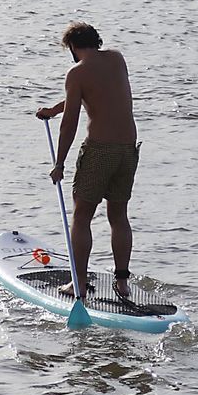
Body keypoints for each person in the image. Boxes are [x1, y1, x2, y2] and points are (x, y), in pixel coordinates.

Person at [36, 21, 139, 300]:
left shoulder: (76, 72)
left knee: (81, 218)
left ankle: (78, 284)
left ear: (72, 46)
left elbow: (70, 123)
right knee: (118, 217)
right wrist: (53, 110)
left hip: (99, 152)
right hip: (127, 149)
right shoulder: (117, 59)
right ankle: (122, 283)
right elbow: (93, 94)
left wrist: (59, 163)